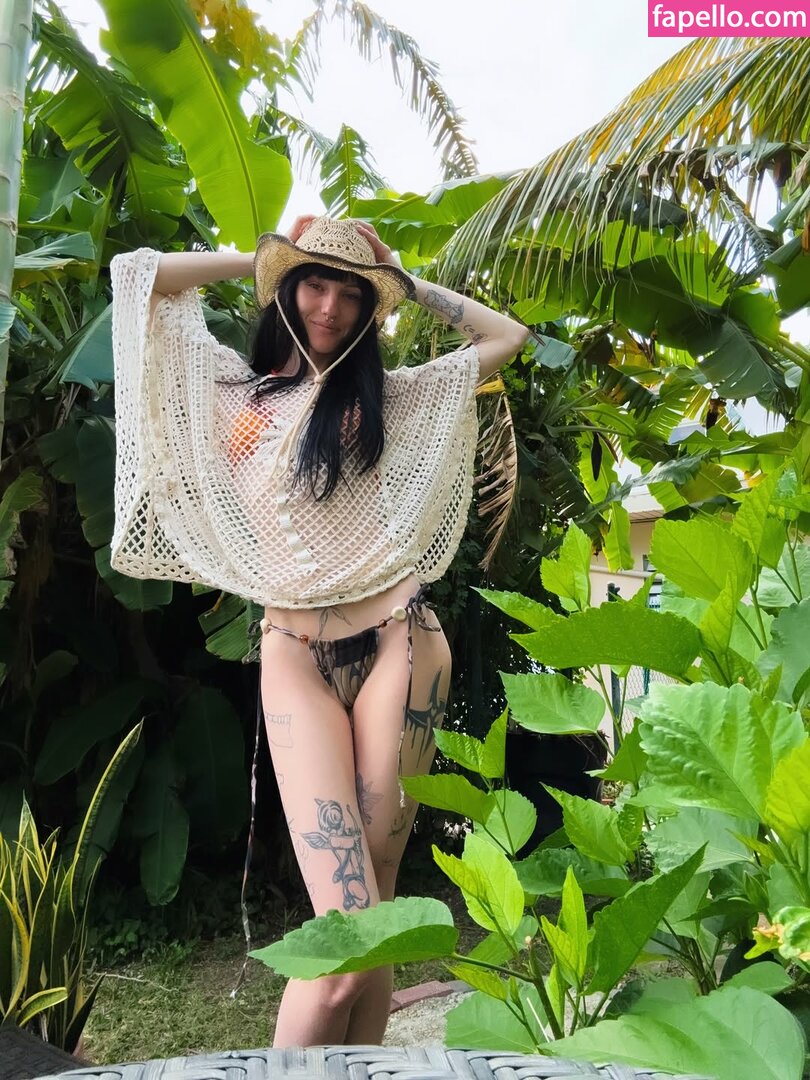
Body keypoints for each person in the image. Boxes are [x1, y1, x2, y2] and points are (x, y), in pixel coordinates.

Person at [109, 215, 528, 1047]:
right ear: (287, 290)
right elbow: (140, 277)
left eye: (350, 292)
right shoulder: (235, 394)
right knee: (348, 935)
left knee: (375, 901)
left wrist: (401, 275)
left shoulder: (394, 397)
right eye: (313, 284)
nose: (330, 306)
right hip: (293, 656)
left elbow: (506, 336)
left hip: (400, 644)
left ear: (371, 308)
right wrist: (266, 255)